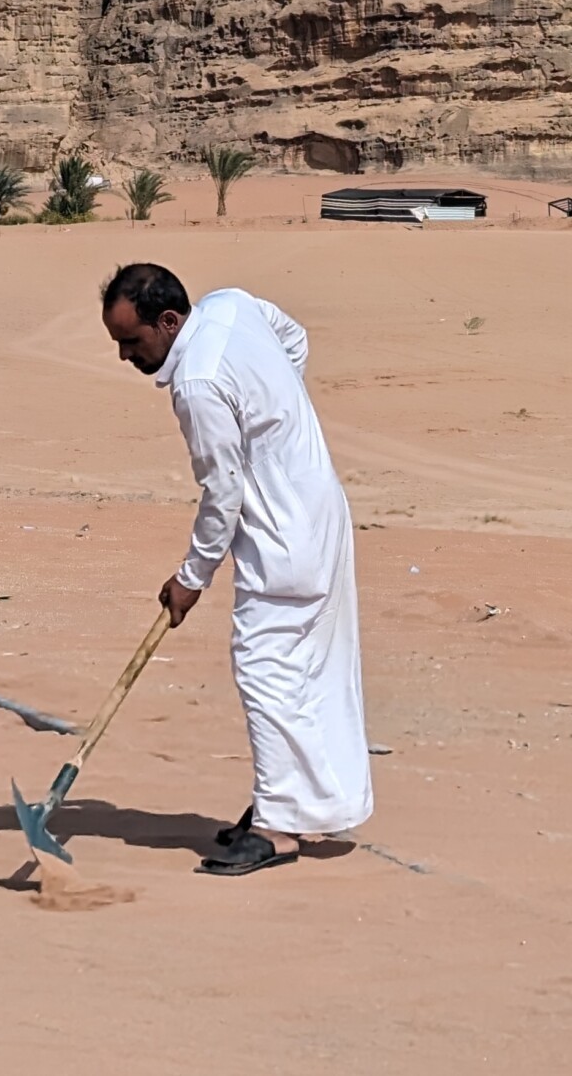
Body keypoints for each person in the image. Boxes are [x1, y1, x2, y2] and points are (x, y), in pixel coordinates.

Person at [100, 262, 372, 874]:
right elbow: (293, 337)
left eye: (131, 342)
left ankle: (278, 828)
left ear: (168, 322)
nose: (125, 356)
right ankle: (307, 803)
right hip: (321, 508)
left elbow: (221, 494)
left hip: (282, 537)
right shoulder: (230, 305)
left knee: (267, 669)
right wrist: (276, 414)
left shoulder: (196, 384)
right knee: (310, 667)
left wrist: (190, 578)